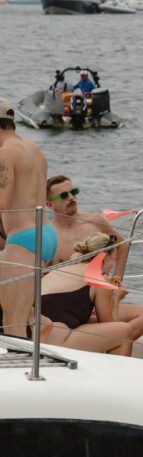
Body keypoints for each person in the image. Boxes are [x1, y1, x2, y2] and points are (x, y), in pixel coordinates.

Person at [46, 174, 143, 338]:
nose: (72, 198)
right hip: (71, 310)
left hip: (100, 299)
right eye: (64, 195)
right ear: (50, 204)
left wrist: (115, 281)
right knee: (119, 331)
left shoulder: (95, 221)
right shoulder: (48, 236)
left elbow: (121, 246)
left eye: (74, 191)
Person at [0, 98, 57, 338]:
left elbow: (1, 202)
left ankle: (19, 371)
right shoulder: (33, 149)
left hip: (24, 238)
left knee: (12, 319)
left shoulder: (5, 153)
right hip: (46, 234)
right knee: (26, 315)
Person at [41, 232, 133, 355]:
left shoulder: (59, 269)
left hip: (34, 334)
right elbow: (109, 324)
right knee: (123, 331)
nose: (112, 266)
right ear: (104, 257)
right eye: (114, 260)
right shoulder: (98, 276)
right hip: (54, 340)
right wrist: (116, 298)